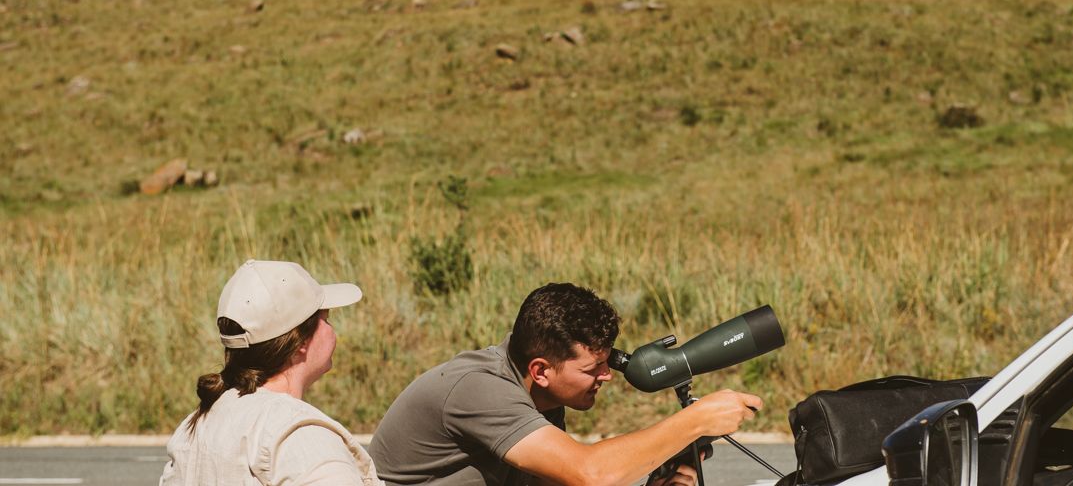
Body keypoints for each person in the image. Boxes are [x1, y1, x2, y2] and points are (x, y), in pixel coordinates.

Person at [369, 282, 763, 486]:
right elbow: (588, 474)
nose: (607, 376)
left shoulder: (540, 395)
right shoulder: (479, 389)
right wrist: (695, 421)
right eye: (594, 368)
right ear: (541, 370)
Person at [160, 259, 383, 486]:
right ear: (301, 341)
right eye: (326, 319)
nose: (331, 329)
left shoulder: (194, 428)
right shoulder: (303, 440)